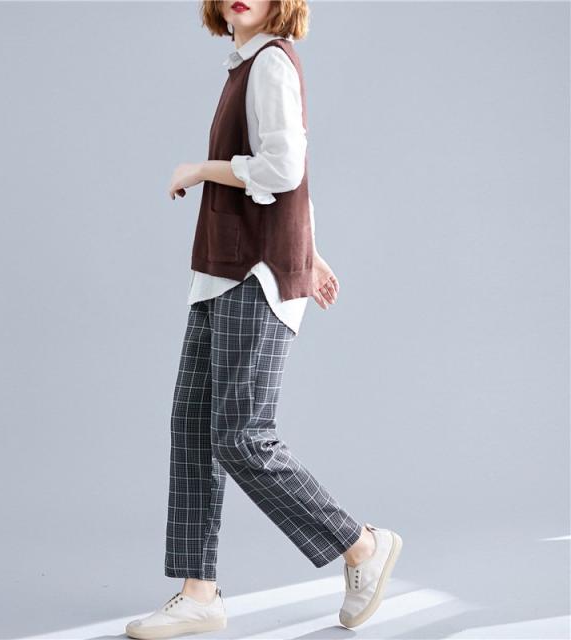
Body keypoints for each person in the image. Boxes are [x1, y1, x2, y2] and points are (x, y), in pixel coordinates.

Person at [126, 2, 402, 638]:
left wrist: (199, 169)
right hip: (223, 270)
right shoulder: (245, 65)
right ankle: (198, 593)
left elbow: (284, 169)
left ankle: (361, 544)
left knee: (242, 435)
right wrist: (313, 250)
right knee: (194, 426)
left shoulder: (271, 64)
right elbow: (290, 175)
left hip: (253, 275)